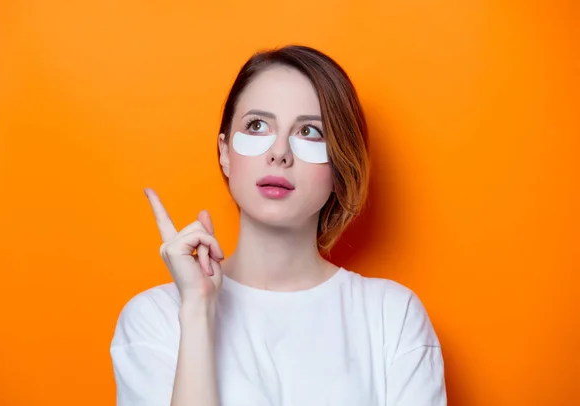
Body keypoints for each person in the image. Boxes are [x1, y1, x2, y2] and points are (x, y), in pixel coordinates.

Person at [110, 45, 447, 406]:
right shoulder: (154, 318)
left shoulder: (391, 317)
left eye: (311, 132)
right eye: (257, 125)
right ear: (225, 152)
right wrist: (197, 313)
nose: (279, 152)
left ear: (340, 165)